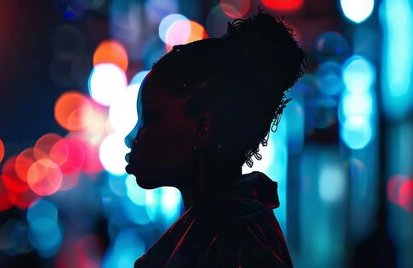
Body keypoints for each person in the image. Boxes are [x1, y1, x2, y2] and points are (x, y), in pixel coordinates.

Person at [124, 10, 306, 268]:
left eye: (151, 119)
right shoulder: (231, 230)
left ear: (202, 129)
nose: (132, 138)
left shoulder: (227, 244)